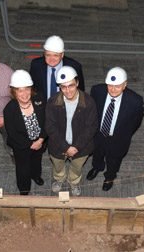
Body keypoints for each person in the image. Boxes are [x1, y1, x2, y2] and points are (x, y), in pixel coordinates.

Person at [86, 67, 144, 191]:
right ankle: (97, 167)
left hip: (118, 138)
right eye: (110, 85)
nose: (113, 89)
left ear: (125, 85)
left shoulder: (135, 101)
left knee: (114, 160)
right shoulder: (97, 90)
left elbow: (136, 121)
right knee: (97, 153)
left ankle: (109, 177)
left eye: (117, 86)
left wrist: (124, 132)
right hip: (99, 134)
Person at [45, 66, 98, 196]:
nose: (67, 91)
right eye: (63, 87)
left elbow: (91, 128)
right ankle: (59, 179)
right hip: (58, 145)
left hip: (81, 147)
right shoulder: (52, 102)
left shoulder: (89, 102)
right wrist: (65, 147)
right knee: (58, 166)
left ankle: (74, 181)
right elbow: (50, 127)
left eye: (71, 86)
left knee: (76, 167)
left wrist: (75, 147)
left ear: (77, 83)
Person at [4, 70, 46, 195]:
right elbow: (12, 133)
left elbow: (47, 120)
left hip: (39, 141)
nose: (24, 94)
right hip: (21, 145)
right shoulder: (9, 109)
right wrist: (30, 144)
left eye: (27, 89)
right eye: (20, 90)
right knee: (23, 168)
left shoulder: (39, 98)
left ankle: (36, 176)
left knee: (37, 160)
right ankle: (24, 188)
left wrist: (40, 140)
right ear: (14, 91)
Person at [30, 35, 85, 101]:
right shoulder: (36, 65)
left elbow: (80, 91)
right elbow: (31, 88)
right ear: (44, 53)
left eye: (55, 55)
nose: (51, 59)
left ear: (62, 55)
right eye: (48, 55)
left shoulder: (74, 67)